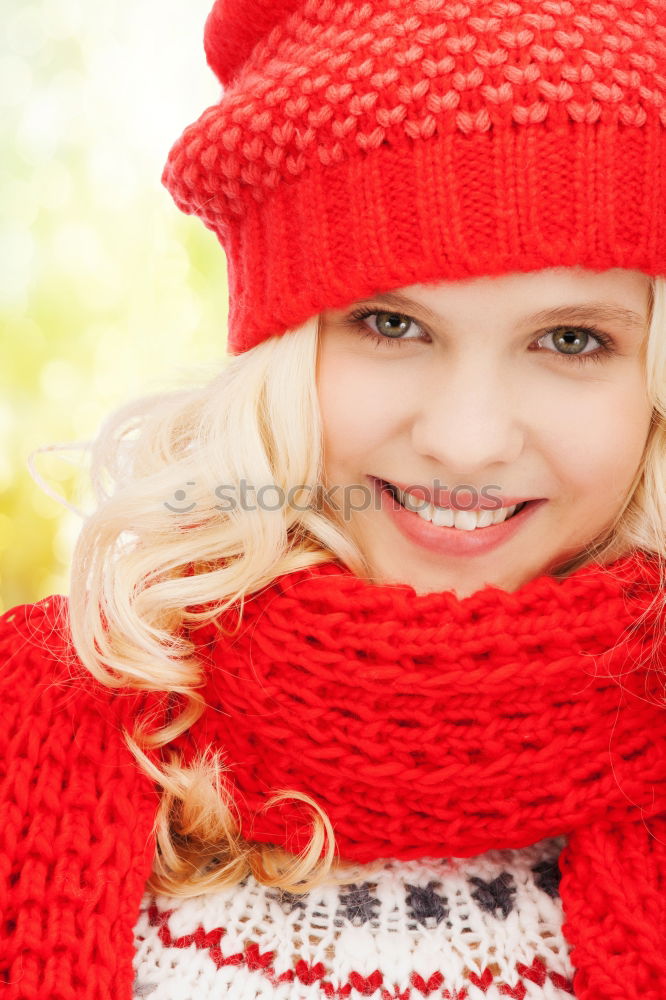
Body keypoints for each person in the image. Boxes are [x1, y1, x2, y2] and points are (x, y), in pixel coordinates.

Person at [2, 1, 666, 998]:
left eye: (571, 340)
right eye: (392, 325)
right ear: (277, 355)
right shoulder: (38, 716)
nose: (467, 438)